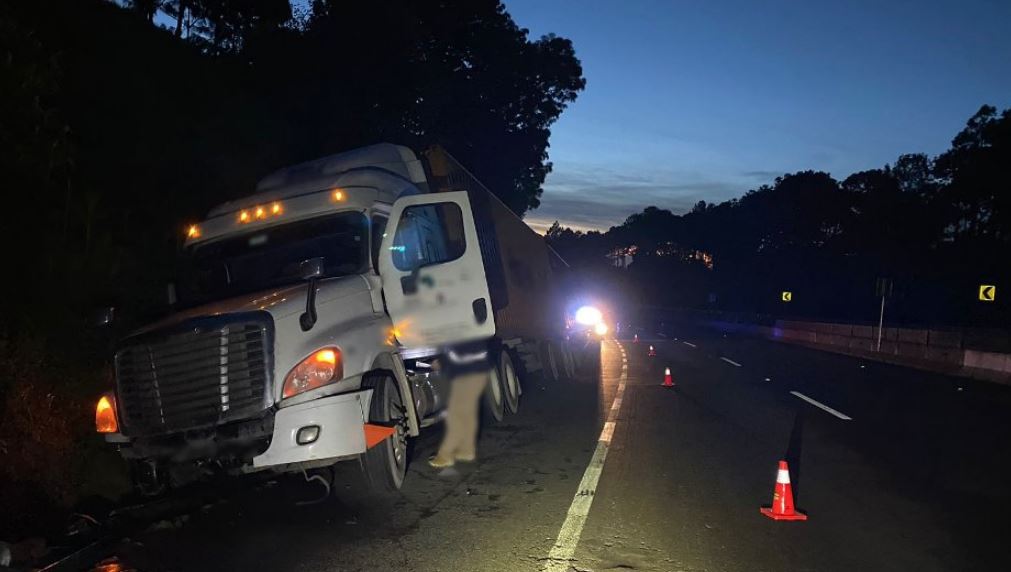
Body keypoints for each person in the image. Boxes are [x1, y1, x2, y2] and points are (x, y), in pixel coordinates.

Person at [428, 339, 493, 468]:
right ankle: (466, 450)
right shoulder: (470, 331)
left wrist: (441, 362)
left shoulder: (461, 337)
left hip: (467, 374)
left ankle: (445, 455)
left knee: (455, 416)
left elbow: (457, 356)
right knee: (467, 414)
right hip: (475, 372)